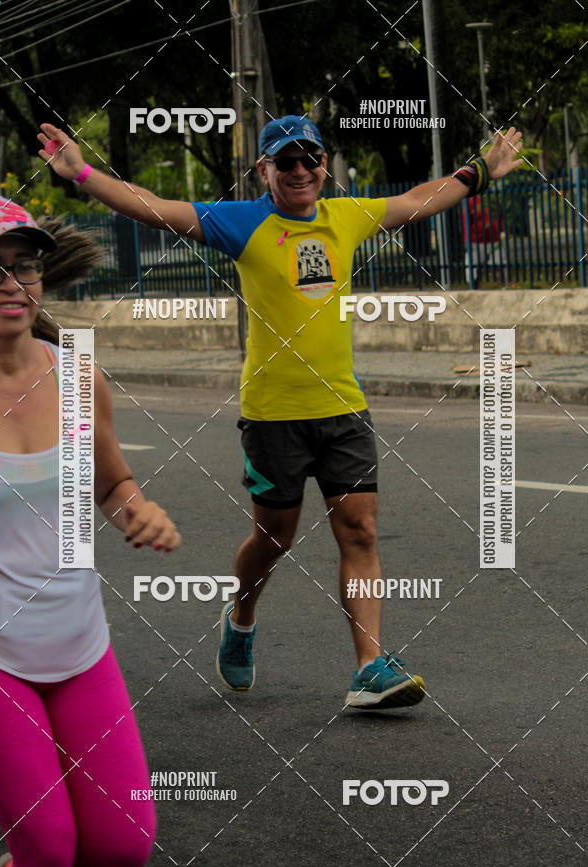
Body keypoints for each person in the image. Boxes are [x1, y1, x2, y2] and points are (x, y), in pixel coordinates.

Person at [38, 115, 523, 711]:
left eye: (309, 159)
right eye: (285, 161)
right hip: (272, 417)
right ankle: (241, 617)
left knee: (360, 529)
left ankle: (368, 667)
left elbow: (419, 200)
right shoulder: (243, 223)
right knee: (274, 537)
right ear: (264, 170)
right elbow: (154, 207)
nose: (299, 171)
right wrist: (82, 173)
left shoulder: (346, 217)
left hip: (344, 408)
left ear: (323, 164)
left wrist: (481, 172)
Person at [0, 191, 181, 867]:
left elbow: (113, 481)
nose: (12, 285)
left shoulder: (77, 375)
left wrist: (138, 509)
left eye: (25, 266)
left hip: (78, 642)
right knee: (49, 845)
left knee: (120, 848)